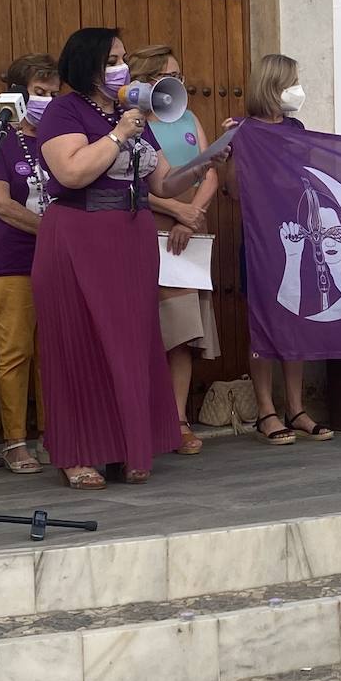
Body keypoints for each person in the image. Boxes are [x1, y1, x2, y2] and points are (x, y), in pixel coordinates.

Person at [33, 28, 224, 488]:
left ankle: (125, 447)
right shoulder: (64, 112)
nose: (121, 67)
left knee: (132, 343)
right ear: (88, 65)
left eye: (121, 58)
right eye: (112, 59)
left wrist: (208, 159)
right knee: (79, 343)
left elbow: (163, 183)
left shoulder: (129, 114)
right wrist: (118, 135)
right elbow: (71, 171)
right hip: (79, 233)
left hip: (130, 237)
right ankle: (77, 453)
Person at [229, 53, 334, 444]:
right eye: (292, 80)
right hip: (261, 241)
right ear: (273, 85)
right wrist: (235, 149)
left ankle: (297, 408)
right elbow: (233, 190)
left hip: (300, 236)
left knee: (295, 319)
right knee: (263, 321)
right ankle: (266, 412)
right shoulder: (245, 130)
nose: (297, 88)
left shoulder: (297, 128)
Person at [126, 44, 219, 456]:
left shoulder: (189, 118)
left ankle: (178, 419)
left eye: (180, 77)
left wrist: (191, 214)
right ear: (147, 81)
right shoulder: (129, 123)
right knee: (148, 331)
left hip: (189, 234)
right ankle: (145, 417)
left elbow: (209, 170)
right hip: (148, 230)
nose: (179, 85)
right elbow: (132, 186)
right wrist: (174, 209)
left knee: (183, 332)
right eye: (171, 77)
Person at [0, 53, 59, 473]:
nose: (46, 99)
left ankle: (53, 434)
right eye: (38, 92)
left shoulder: (59, 140)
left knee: (53, 351)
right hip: (13, 261)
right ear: (17, 94)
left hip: (57, 264)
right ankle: (14, 441)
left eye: (52, 93)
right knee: (15, 352)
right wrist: (50, 230)